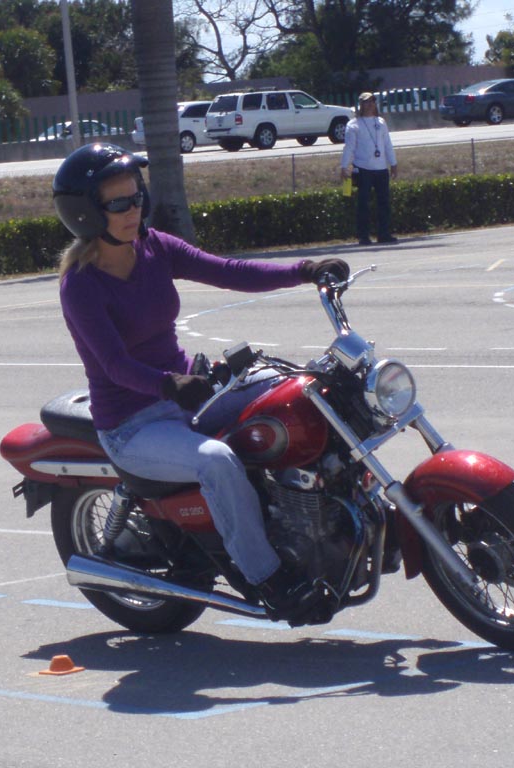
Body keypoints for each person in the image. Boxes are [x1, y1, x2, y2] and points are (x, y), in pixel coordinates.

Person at [52, 142, 349, 624]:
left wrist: (303, 271)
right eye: (118, 203)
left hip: (189, 393)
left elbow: (228, 271)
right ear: (86, 213)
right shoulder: (81, 285)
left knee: (303, 392)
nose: (133, 210)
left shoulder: (155, 247)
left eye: (136, 197)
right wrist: (168, 385)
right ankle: (269, 578)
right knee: (217, 461)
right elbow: (112, 364)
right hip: (132, 423)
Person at [340, 92, 398, 246]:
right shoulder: (353, 124)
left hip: (381, 169)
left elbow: (387, 144)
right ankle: (363, 236)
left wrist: (393, 163)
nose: (370, 104)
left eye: (372, 101)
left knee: (384, 203)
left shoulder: (381, 122)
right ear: (360, 105)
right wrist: (344, 166)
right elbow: (349, 147)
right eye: (366, 102)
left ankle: (384, 234)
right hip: (363, 169)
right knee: (363, 204)